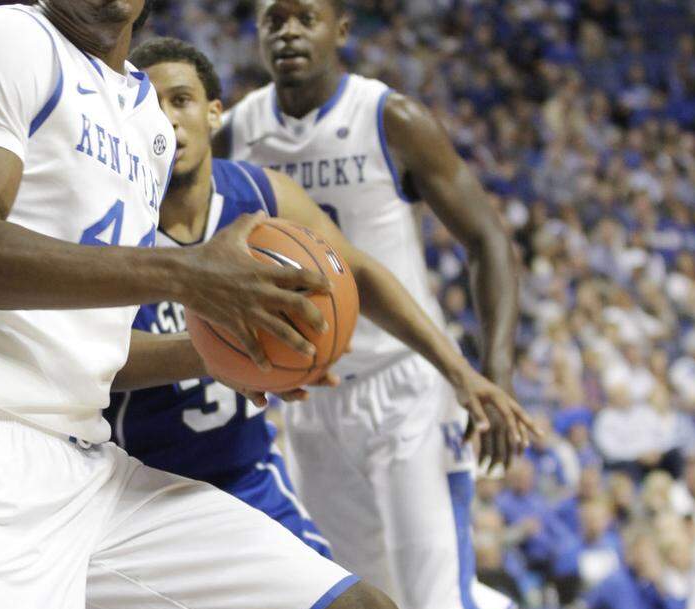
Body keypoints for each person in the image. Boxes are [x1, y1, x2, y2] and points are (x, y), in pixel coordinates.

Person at [0, 1, 406, 609]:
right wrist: (188, 275)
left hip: (90, 468)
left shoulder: (147, 122)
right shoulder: (11, 37)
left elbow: (93, 347)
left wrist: (221, 347)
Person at [108, 37, 530, 559]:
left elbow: (360, 274)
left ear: (214, 113)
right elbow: (94, 357)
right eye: (149, 104)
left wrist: (459, 371)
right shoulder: (112, 216)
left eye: (181, 100)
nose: (167, 118)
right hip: (137, 488)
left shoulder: (263, 195)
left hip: (247, 480)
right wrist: (219, 348)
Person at [220, 1, 537, 609]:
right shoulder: (237, 132)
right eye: (272, 20)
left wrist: (494, 372)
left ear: (341, 30)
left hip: (407, 385)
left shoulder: (391, 118)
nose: (287, 32)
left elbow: (489, 241)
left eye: (304, 17)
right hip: (310, 391)